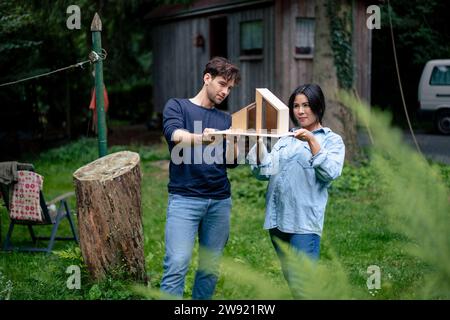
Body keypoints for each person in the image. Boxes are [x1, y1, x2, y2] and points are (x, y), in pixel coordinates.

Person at [247, 83, 345, 297]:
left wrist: (311, 140)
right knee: (293, 281)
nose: (300, 111)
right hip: (277, 221)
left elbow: (330, 173)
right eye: (296, 106)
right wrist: (258, 143)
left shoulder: (331, 140)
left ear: (318, 107)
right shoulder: (285, 139)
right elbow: (263, 172)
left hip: (304, 223)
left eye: (306, 105)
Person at [161, 57, 240, 299]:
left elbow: (230, 162)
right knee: (176, 263)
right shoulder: (178, 106)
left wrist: (235, 141)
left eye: (229, 88)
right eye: (221, 84)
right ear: (207, 78)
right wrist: (202, 138)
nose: (225, 91)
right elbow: (174, 134)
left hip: (219, 201)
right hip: (185, 199)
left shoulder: (226, 119)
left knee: (210, 268)